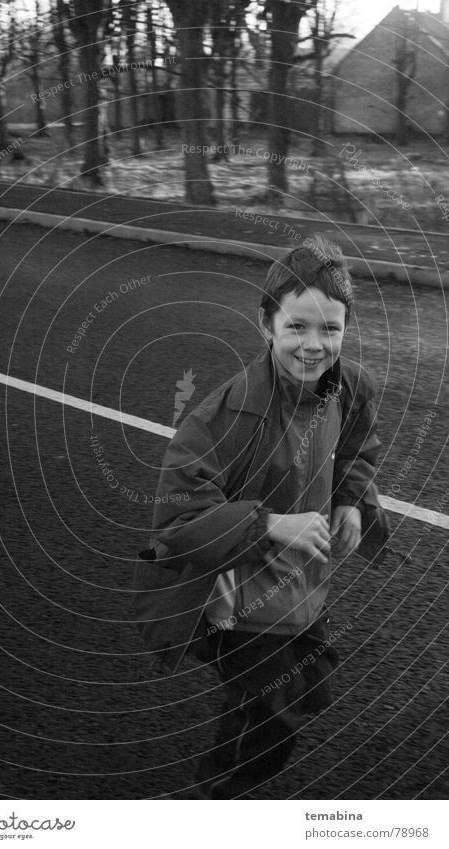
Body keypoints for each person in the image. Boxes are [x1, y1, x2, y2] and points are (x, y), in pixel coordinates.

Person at [134, 235, 388, 799]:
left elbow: (358, 443)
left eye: (331, 329)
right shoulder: (219, 417)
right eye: (297, 327)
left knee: (311, 691)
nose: (314, 345)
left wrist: (349, 500)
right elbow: (176, 527)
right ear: (266, 324)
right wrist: (271, 524)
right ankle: (217, 802)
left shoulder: (348, 386)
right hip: (240, 602)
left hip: (304, 589)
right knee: (274, 714)